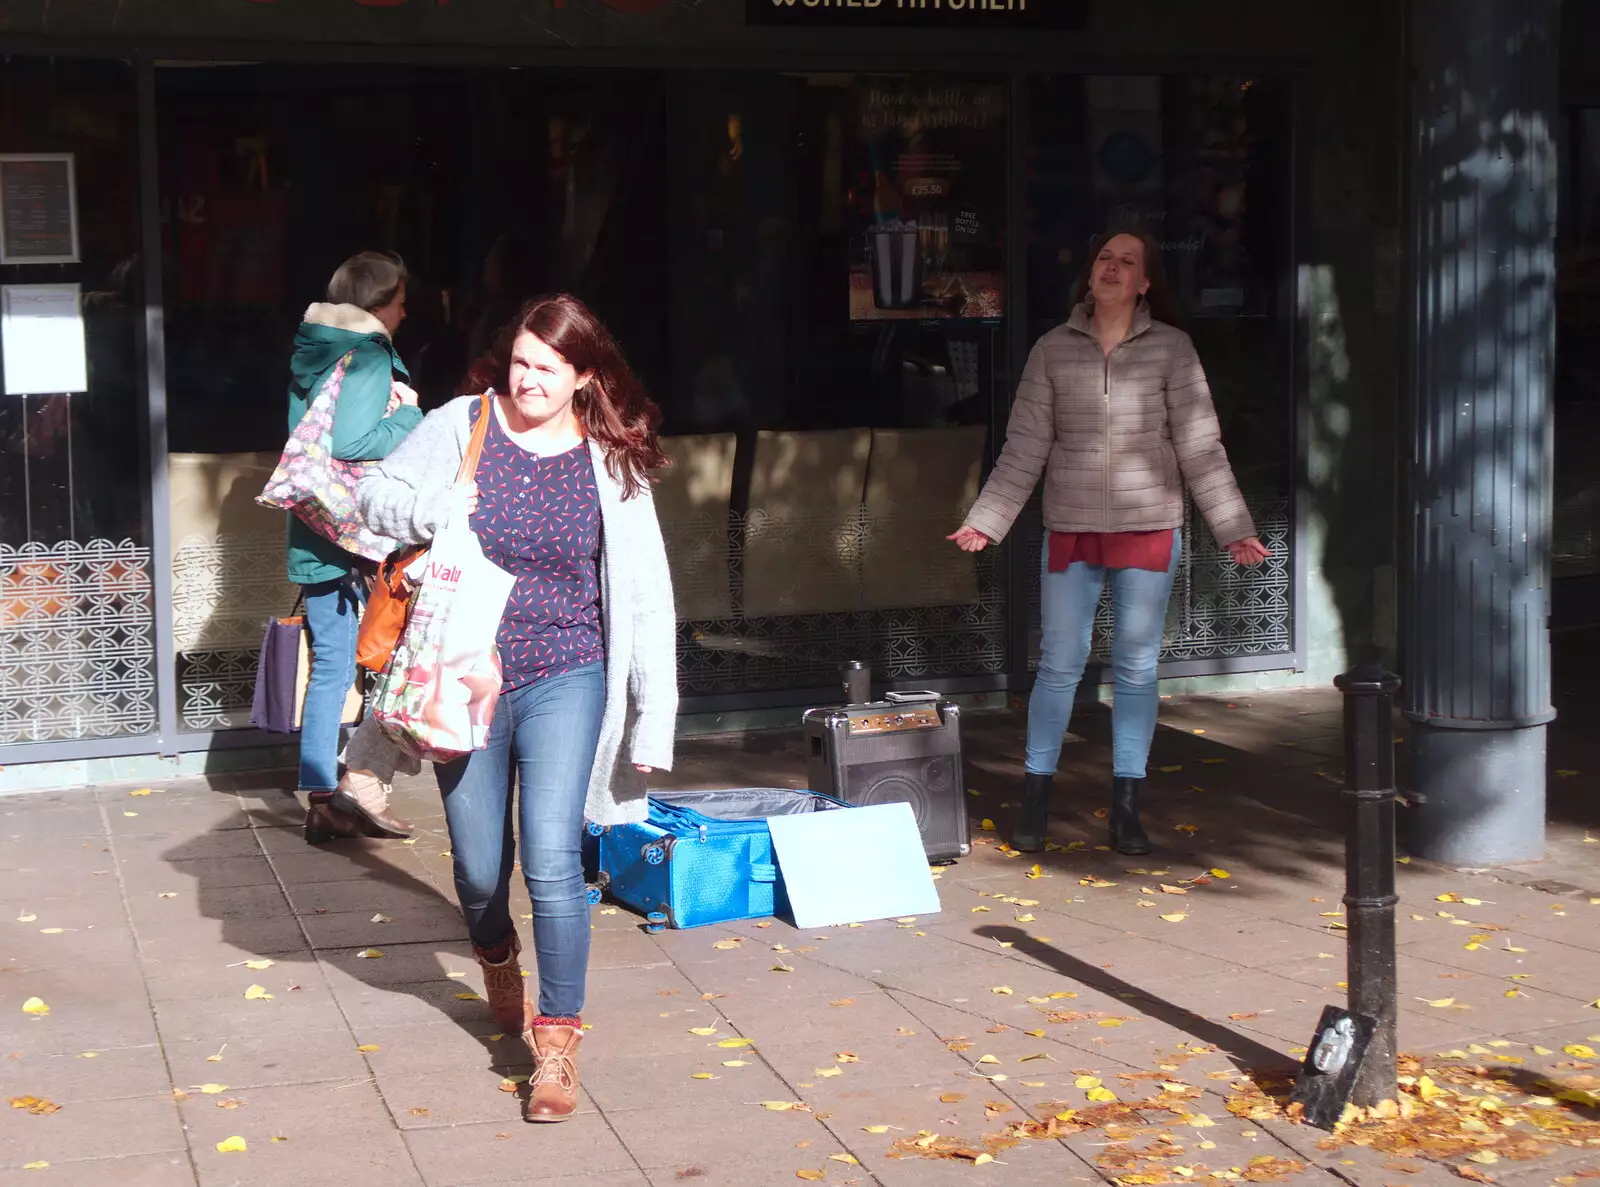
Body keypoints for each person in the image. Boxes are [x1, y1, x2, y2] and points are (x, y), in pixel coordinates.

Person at [357, 294, 677, 1122]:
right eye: (520, 361)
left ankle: (558, 1042)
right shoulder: (462, 422)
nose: (528, 379)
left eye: (547, 366)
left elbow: (647, 595)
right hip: (463, 672)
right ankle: (496, 951)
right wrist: (432, 510)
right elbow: (373, 497)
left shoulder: (610, 456)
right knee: (474, 868)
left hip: (567, 670)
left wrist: (654, 718)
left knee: (552, 859)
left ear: (583, 376)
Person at [949, 230, 1268, 857]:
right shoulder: (1051, 349)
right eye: (1103, 258)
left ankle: (1127, 805)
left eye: (1127, 262)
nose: (1112, 269)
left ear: (1146, 282)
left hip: (1150, 526)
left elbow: (1201, 447)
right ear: (1089, 273)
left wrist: (1236, 528)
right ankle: (1036, 797)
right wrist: (987, 519)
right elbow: (1025, 446)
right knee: (1059, 665)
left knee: (1136, 667)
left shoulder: (1173, 350)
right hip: (1071, 527)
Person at [286, 250, 422, 843]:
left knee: (337, 667)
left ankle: (330, 794)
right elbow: (353, 441)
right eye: (399, 302)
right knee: (355, 663)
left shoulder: (314, 349)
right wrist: (412, 417)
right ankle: (337, 795)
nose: (405, 311)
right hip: (350, 538)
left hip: (318, 529)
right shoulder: (366, 354)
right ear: (377, 305)